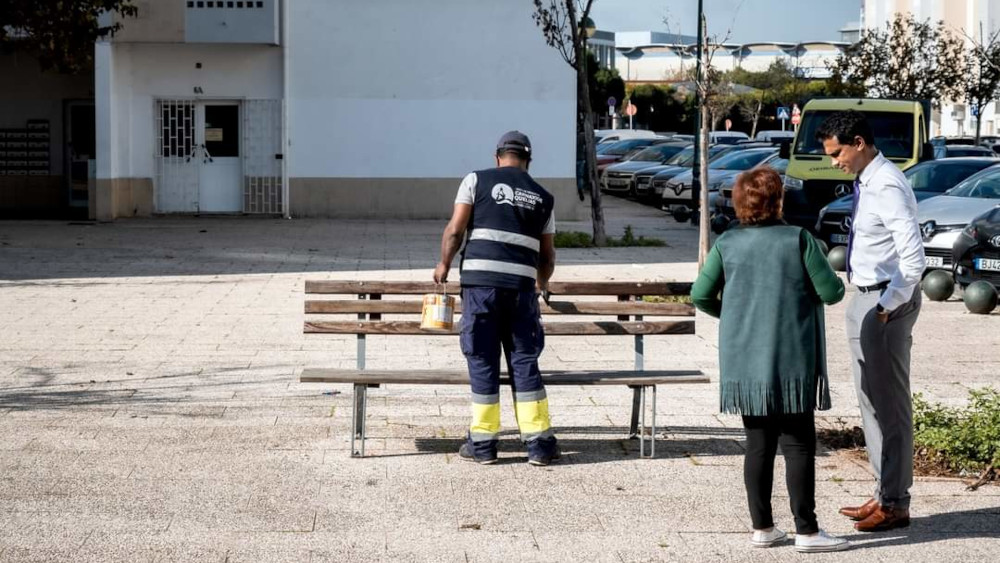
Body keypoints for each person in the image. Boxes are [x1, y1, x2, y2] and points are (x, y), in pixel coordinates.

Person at [691, 168, 849, 553]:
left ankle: (763, 528)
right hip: (793, 359)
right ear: (778, 201)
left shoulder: (727, 243)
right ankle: (807, 532)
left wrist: (734, 314)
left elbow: (700, 295)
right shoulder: (800, 240)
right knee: (797, 444)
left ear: (739, 202)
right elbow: (831, 292)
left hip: (747, 361)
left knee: (757, 443)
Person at [816, 110, 925, 532]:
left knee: (890, 405)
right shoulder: (868, 182)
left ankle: (896, 502)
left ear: (859, 142)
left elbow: (912, 259)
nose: (833, 162)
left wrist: (886, 305)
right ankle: (883, 493)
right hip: (865, 295)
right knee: (869, 401)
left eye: (837, 153)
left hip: (883, 300)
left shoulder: (888, 186)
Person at [433, 130, 559, 466]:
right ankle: (539, 446)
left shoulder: (475, 180)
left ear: (497, 156)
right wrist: (541, 283)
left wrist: (444, 264)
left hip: (481, 290)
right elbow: (547, 258)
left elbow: (455, 230)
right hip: (521, 292)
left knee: (483, 361)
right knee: (524, 362)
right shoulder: (544, 197)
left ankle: (484, 445)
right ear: (528, 160)